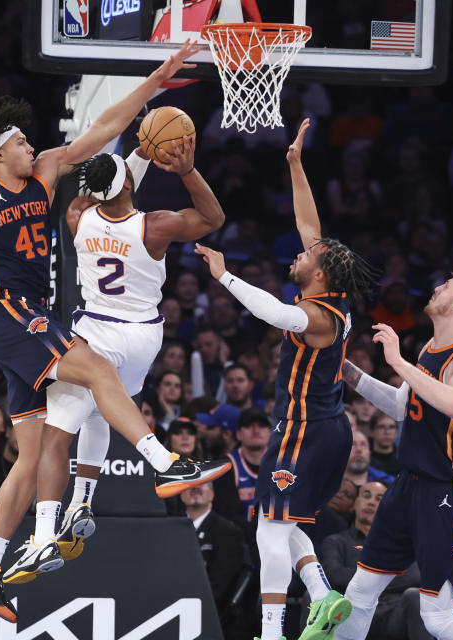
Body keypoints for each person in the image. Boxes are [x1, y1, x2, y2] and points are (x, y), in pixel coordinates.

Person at [0, 44, 222, 622]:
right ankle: (163, 461)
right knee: (96, 369)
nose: (30, 145)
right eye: (18, 141)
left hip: (34, 316)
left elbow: (108, 126)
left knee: (32, 453)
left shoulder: (45, 170)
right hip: (9, 313)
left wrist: (154, 83)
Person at [6, 130, 228, 582]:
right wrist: (185, 169)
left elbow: (112, 184)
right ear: (128, 185)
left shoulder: (76, 214)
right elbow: (213, 216)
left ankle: (43, 536)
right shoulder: (156, 226)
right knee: (98, 417)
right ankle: (82, 501)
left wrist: (138, 154)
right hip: (143, 339)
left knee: (56, 436)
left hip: (97, 335)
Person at [197, 119, 375, 640]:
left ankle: (274, 629)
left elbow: (275, 314)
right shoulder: (331, 293)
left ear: (319, 274)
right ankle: (320, 597)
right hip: (326, 430)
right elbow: (309, 224)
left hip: (303, 430)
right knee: (283, 522)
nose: (299, 253)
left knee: (269, 526)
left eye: (305, 257)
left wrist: (224, 276)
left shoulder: (318, 317)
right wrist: (296, 164)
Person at [337, 266, 453, 638]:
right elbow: (399, 406)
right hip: (407, 484)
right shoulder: (428, 349)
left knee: (437, 615)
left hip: (448, 487)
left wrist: (397, 361)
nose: (435, 288)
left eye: (445, 287)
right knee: (359, 591)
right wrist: (348, 372)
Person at [318, 481, 431, 640]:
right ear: (354, 504)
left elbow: (413, 576)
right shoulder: (336, 541)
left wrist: (365, 577)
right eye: (366, 496)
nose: (371, 501)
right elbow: (334, 575)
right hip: (348, 611)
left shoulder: (403, 543)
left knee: (415, 596)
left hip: (391, 614)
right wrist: (385, 573)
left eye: (380, 498)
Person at [181, 481, 245, 632]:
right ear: (180, 492)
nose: (196, 487)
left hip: (209, 618)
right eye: (190, 484)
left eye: (202, 484)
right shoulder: (169, 529)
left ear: (213, 493)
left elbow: (219, 588)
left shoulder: (228, 532)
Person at [226, 407, 271, 523]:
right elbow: (229, 515)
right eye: (249, 426)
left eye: (261, 425)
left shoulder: (286, 464)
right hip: (240, 538)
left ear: (270, 432)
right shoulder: (227, 466)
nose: (256, 431)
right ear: (239, 434)